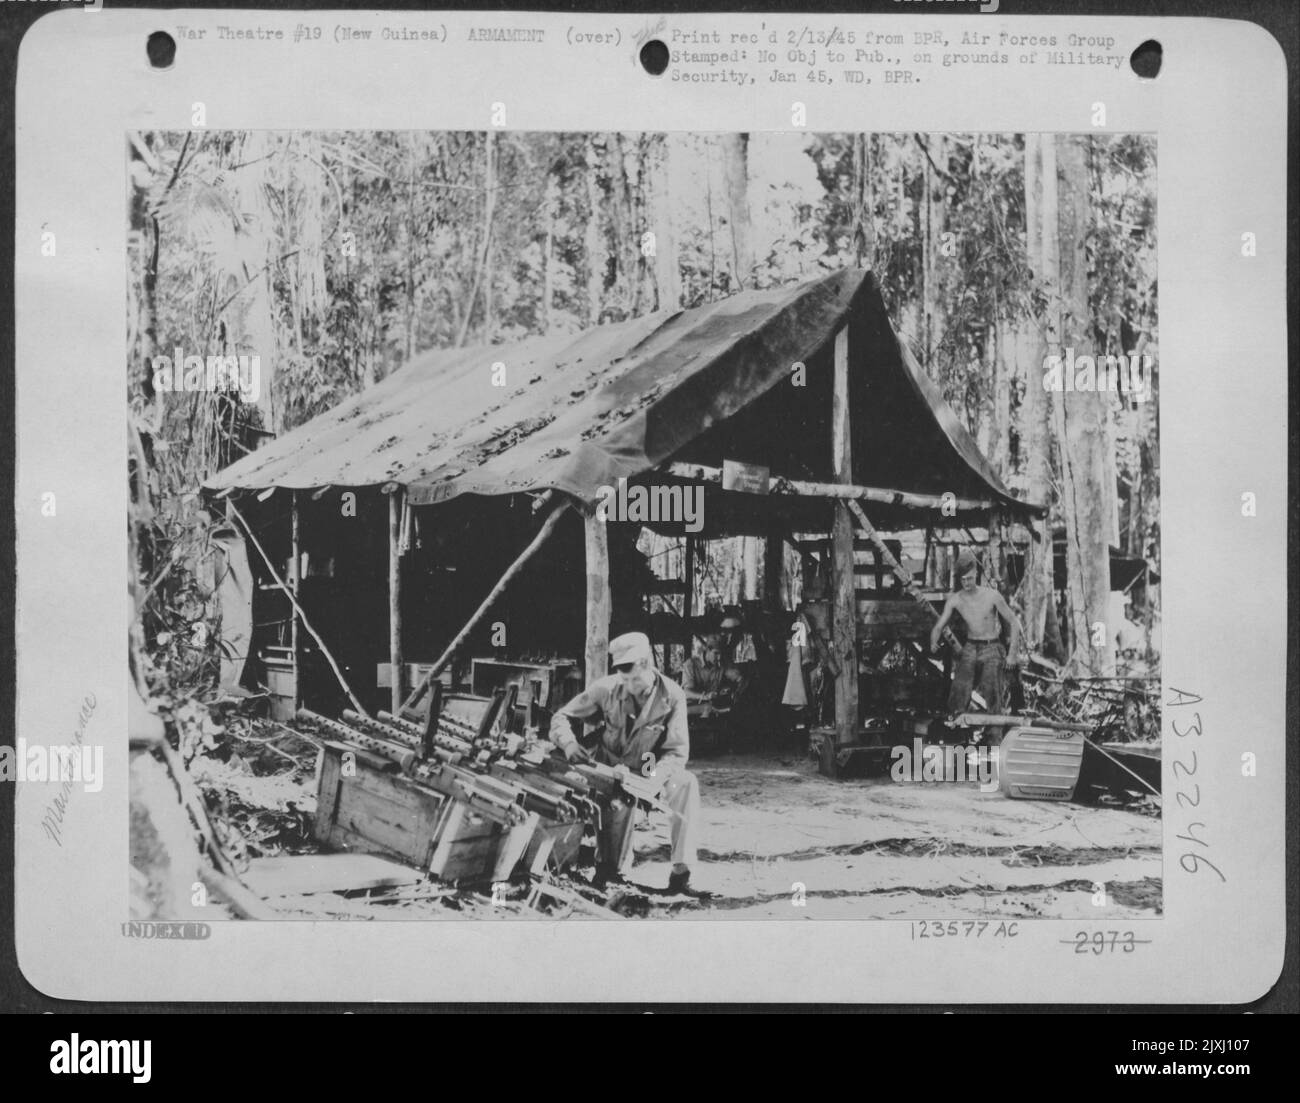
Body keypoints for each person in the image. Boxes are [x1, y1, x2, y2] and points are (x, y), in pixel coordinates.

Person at [549, 631, 703, 896]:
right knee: (612, 868)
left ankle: (681, 872)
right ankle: (610, 869)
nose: (628, 685)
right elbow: (560, 717)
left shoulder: (673, 695)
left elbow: (677, 753)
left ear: (647, 664)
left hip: (648, 768)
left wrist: (650, 780)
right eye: (624, 678)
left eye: (633, 679)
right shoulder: (606, 688)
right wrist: (570, 744)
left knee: (686, 783)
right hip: (609, 771)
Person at [929, 551, 1020, 717]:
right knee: (959, 690)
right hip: (970, 647)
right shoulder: (955, 599)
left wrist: (1012, 654)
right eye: (962, 579)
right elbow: (939, 626)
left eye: (969, 578)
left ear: (976, 573)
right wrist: (933, 642)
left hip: (991, 647)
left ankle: (994, 736)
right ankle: (957, 732)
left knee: (992, 692)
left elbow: (1014, 622)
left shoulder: (992, 596)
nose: (966, 583)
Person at [679, 633, 744, 707]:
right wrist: (706, 696)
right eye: (716, 653)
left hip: (712, 709)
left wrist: (735, 689)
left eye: (721, 654)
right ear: (707, 650)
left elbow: (738, 678)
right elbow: (687, 692)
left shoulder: (721, 664)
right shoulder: (691, 664)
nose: (719, 657)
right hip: (692, 709)